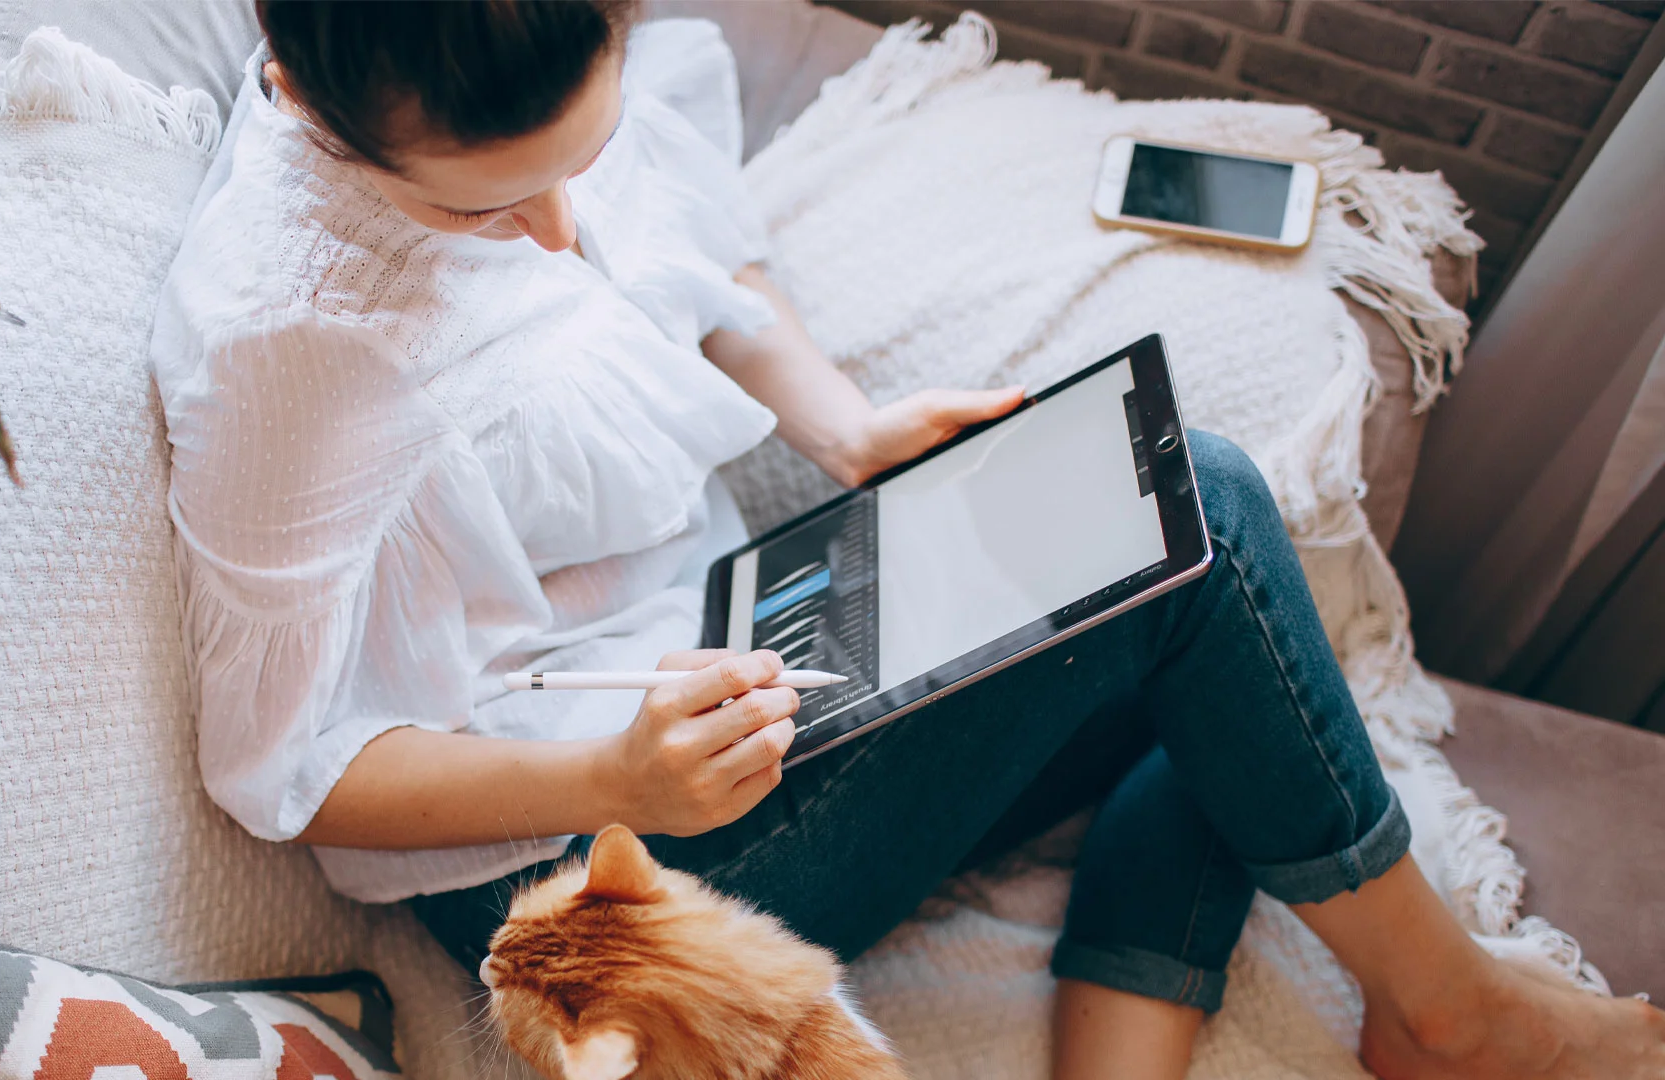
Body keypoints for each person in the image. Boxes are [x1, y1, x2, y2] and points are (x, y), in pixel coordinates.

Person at [148, 2, 1665, 1076]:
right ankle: (1461, 1015)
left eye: (575, 164)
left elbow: (707, 253)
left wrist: (845, 429)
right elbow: (282, 770)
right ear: (297, 90)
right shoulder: (291, 348)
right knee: (1203, 523)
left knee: (1210, 620)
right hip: (587, 857)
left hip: (742, 656)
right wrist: (610, 778)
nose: (560, 234)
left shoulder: (530, 67)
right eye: (492, 212)